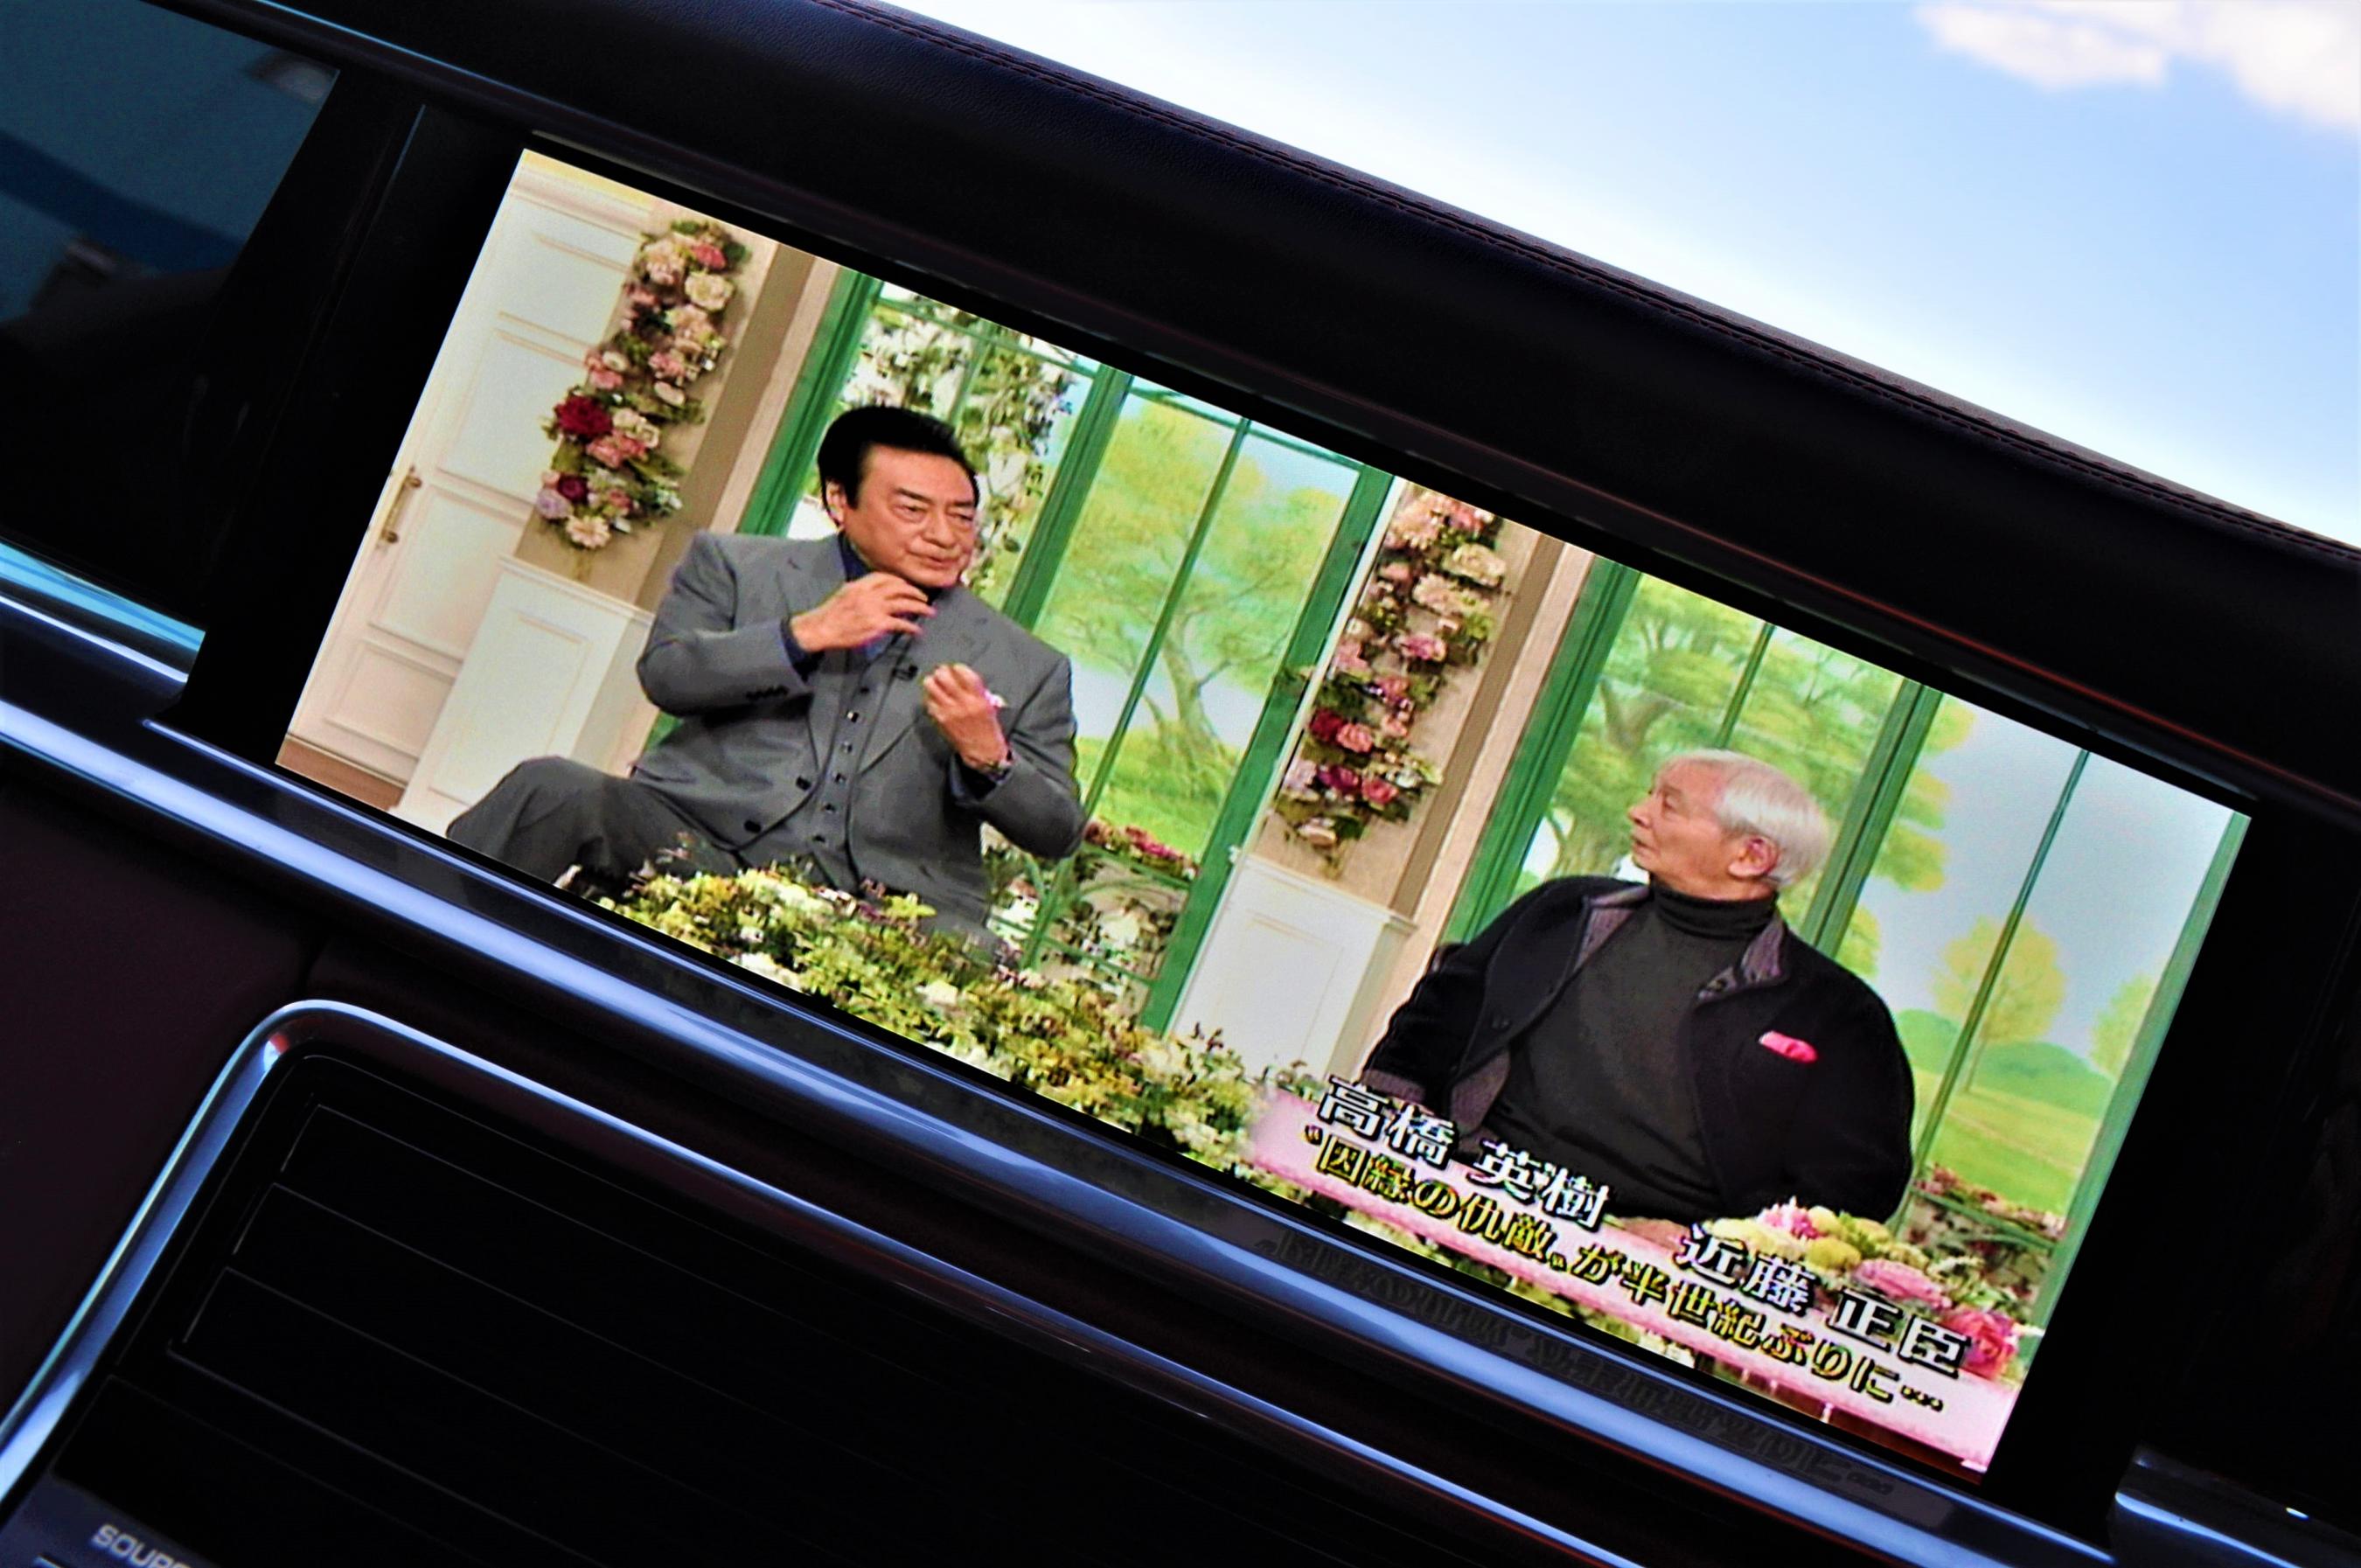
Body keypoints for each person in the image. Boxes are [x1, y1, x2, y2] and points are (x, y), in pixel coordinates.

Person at [449, 406, 1086, 940]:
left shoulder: (1029, 665)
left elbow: (1058, 831)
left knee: (976, 954)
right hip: (696, 841)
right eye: (914, 510)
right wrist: (802, 635)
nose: (945, 535)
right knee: (552, 788)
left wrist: (990, 758)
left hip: (876, 908)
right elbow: (667, 675)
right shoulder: (734, 565)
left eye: (963, 515)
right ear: (839, 500)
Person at [1362, 749, 1913, 1223]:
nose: (1638, 811)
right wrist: (1387, 1126)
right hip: (1475, 1180)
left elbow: (1856, 1186)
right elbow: (1437, 1016)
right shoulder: (1563, 909)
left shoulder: (1839, 1012)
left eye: (1668, 804)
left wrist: (1705, 1244)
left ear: (1751, 856)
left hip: (1656, 1254)